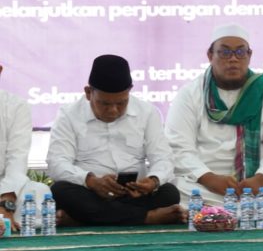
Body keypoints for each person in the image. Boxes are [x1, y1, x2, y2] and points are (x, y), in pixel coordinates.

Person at [165, 24, 263, 218]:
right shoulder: (190, 94)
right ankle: (255, 211)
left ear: (249, 56)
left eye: (240, 52)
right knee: (173, 187)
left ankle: (215, 213)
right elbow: (178, 148)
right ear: (210, 55)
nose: (233, 59)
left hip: (255, 186)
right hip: (206, 184)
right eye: (224, 52)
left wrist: (260, 179)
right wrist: (209, 178)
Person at [47, 55, 184, 226]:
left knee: (169, 192)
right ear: (88, 93)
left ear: (130, 91)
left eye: (121, 103)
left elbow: (163, 158)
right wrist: (91, 181)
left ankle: (80, 220)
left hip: (134, 195)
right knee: (60, 191)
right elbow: (57, 163)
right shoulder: (68, 115)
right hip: (90, 193)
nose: (113, 110)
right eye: (104, 104)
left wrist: (152, 181)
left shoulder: (147, 112)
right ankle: (147, 218)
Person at [0, 65, 51, 232]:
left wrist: (5, 204)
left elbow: (17, 161)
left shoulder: (16, 106)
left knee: (39, 192)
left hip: (3, 187)